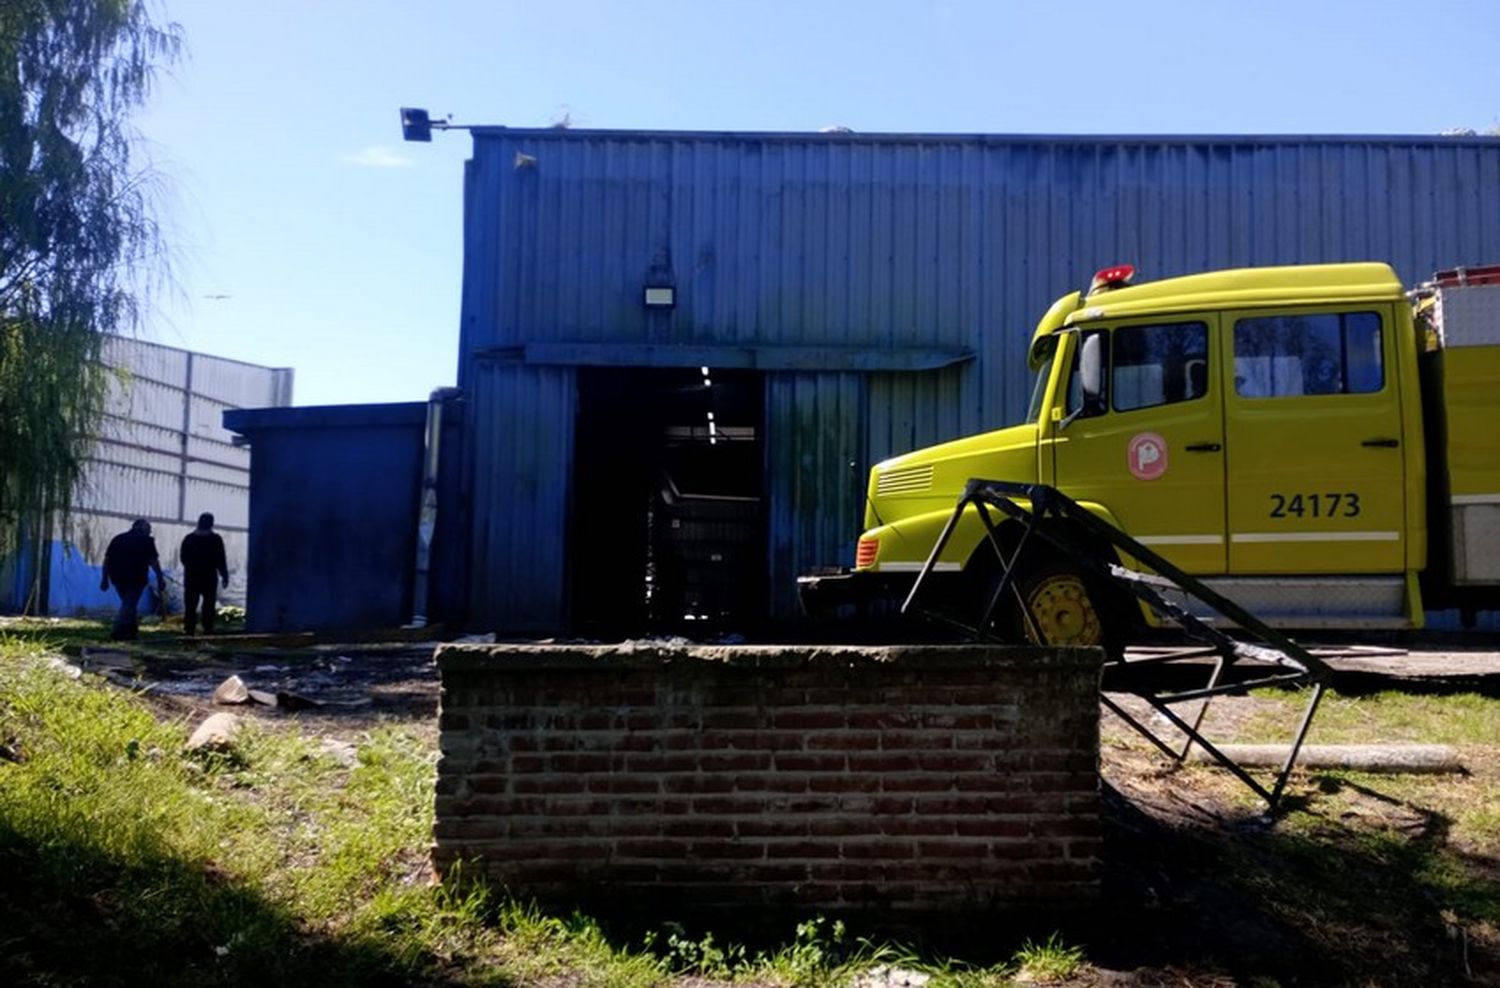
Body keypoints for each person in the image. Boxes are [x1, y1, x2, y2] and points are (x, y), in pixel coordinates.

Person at [100, 519, 165, 641]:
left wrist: (104, 578)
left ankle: (132, 632)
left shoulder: (118, 539)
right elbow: (153, 561)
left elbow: (107, 561)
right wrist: (160, 577)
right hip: (136, 578)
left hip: (117, 577)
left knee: (129, 604)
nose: (150, 532)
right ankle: (117, 632)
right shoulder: (147, 541)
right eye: (148, 529)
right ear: (142, 528)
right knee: (128, 605)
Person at [180, 512, 229, 636]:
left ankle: (189, 629)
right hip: (209, 576)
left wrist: (191, 567)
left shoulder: (189, 538)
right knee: (209, 603)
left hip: (192, 576)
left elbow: (183, 557)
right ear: (211, 524)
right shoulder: (215, 539)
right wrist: (224, 575)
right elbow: (221, 559)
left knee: (190, 604)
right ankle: (207, 628)